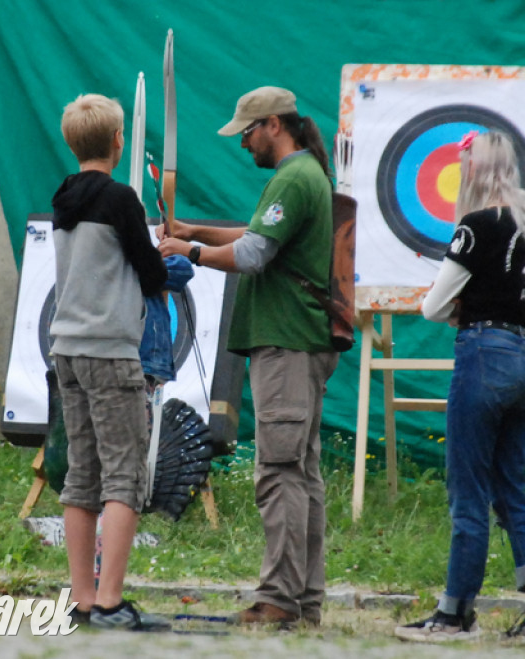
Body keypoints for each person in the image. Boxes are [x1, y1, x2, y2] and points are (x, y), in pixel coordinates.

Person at [158, 86, 338, 628]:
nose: (242, 143)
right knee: (301, 474)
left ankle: (280, 599)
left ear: (274, 126)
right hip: (298, 342)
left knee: (279, 472)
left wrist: (188, 252)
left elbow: (254, 254)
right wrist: (194, 231)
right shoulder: (305, 176)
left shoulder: (293, 178)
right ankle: (302, 602)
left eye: (247, 132)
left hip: (286, 343)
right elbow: (259, 235)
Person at [394, 131, 525, 645]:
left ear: (473, 172)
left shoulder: (474, 226)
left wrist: (458, 306)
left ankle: (455, 614)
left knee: (468, 491)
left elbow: (433, 307)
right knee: (510, 488)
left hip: (484, 357)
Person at [50, 93, 170, 631]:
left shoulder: (64, 195)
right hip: (109, 350)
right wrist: (163, 253)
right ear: (118, 142)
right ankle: (110, 600)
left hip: (67, 349)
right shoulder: (122, 199)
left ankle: (81, 597)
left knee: (82, 474)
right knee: (125, 475)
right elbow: (149, 272)